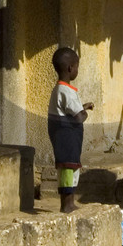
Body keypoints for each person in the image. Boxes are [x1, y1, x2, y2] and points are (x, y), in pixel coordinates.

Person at [47, 47, 93, 213]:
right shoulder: (65, 91)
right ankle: (67, 204)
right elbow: (79, 116)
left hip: (63, 134)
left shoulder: (60, 89)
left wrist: (82, 106)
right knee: (69, 167)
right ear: (70, 68)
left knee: (68, 167)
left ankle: (68, 202)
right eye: (77, 66)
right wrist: (84, 112)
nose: (77, 70)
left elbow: (69, 108)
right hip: (66, 136)